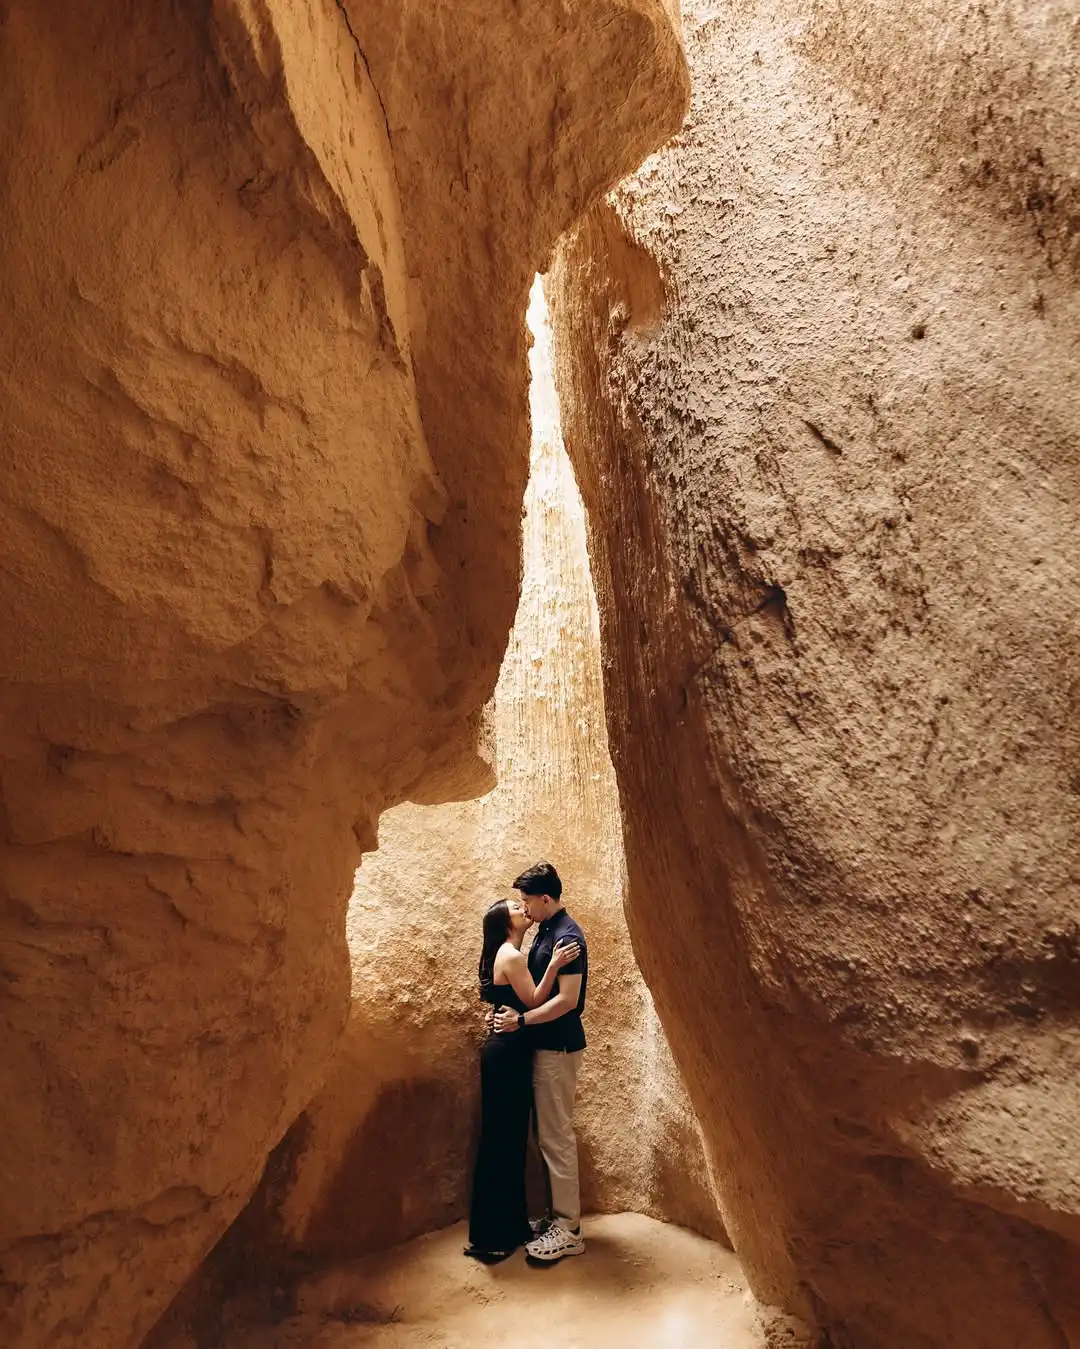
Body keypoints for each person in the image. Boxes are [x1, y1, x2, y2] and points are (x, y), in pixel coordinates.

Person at [465, 895, 580, 1262]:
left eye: (523, 903)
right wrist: (556, 966)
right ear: (505, 923)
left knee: (511, 1140)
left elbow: (510, 1001)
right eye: (516, 908)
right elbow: (532, 1000)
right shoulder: (511, 955)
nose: (522, 909)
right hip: (506, 1055)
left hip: (508, 1051)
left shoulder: (509, 952)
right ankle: (492, 1236)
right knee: (502, 1141)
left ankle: (509, 1227)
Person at [494, 861, 588, 1262]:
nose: (523, 907)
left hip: (559, 1047)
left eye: (526, 900)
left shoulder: (569, 935)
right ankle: (558, 1219)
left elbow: (567, 1001)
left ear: (545, 899)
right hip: (546, 1046)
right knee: (548, 1135)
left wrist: (522, 1021)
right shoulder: (548, 930)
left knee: (556, 1137)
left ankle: (570, 1229)